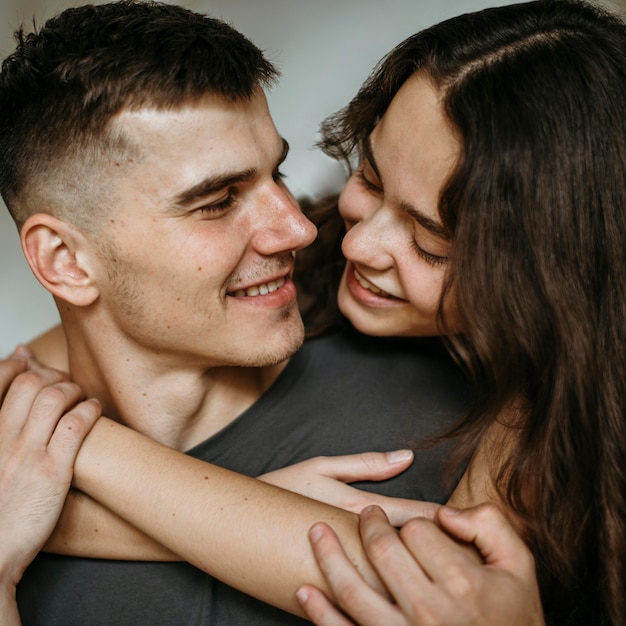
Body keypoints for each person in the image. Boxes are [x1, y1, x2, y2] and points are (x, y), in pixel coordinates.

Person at [13, 0, 624, 624]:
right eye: (373, 178)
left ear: (550, 283)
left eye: (431, 242)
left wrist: (83, 451)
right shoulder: (312, 260)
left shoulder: (543, 416)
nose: (320, 234)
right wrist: (254, 507)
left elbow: (442, 595)